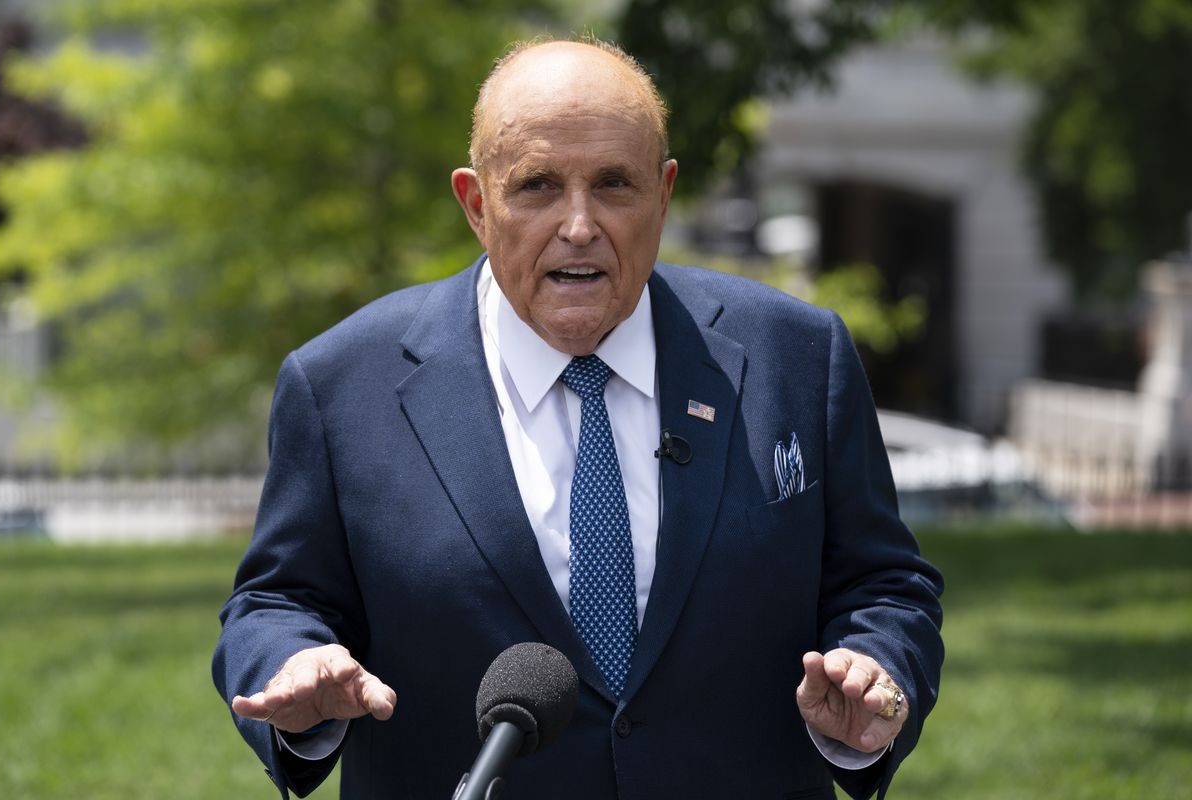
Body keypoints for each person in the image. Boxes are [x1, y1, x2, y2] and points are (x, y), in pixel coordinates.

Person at [213, 38, 943, 800]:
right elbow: (277, 601)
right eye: (536, 187)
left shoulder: (796, 354)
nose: (579, 224)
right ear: (476, 204)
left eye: (613, 184)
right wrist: (292, 666)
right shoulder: (341, 384)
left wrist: (878, 669)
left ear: (663, 195)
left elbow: (882, 584)